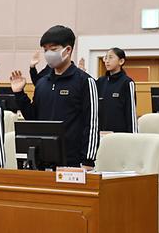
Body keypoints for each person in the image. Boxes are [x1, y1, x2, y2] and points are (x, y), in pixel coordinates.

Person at [10, 25, 99, 167]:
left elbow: (92, 124)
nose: (48, 54)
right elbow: (34, 119)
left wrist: (88, 160)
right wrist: (19, 93)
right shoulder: (42, 83)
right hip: (42, 159)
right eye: (45, 50)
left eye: (53, 49)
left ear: (68, 50)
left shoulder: (85, 81)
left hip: (73, 161)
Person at [95, 48, 137, 133]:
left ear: (121, 61)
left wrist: (133, 137)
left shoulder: (127, 82)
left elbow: (131, 113)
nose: (107, 61)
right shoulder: (100, 81)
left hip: (120, 135)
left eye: (110, 57)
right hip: (101, 133)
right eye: (105, 58)